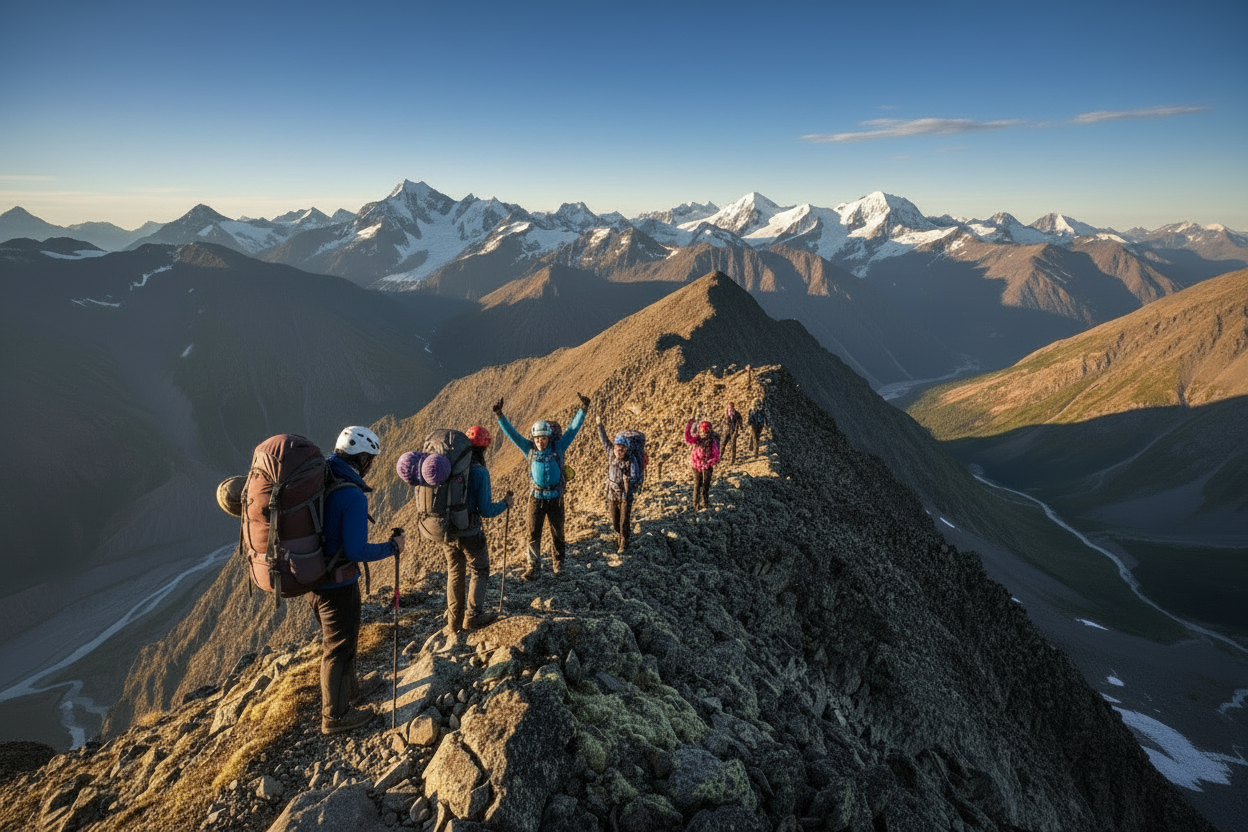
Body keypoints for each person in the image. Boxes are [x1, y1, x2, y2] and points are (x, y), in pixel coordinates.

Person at [314, 426, 405, 735]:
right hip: (337, 585)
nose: (372, 466)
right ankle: (335, 716)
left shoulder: (325, 474)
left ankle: (350, 691)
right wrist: (392, 547)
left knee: (342, 642)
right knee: (338, 648)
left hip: (316, 578)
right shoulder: (351, 495)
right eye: (371, 460)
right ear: (363, 459)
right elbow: (356, 550)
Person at [494, 394, 589, 578]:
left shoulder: (558, 447)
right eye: (537, 438)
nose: (540, 442)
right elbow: (513, 435)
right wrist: (500, 416)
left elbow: (572, 430)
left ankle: (558, 565)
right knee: (533, 533)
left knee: (557, 532)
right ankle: (533, 567)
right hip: (536, 498)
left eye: (543, 438)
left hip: (555, 498)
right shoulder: (528, 448)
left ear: (548, 437)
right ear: (534, 438)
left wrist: (583, 409)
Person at [443, 425, 512, 634]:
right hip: (470, 533)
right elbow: (486, 510)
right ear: (483, 449)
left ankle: (453, 623)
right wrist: (505, 503)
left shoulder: (449, 467)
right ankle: (473, 616)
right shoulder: (480, 472)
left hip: (447, 531)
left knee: (455, 573)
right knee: (480, 570)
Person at [596, 419, 637, 553]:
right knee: (615, 521)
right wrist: (599, 425)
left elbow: (635, 475)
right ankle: (621, 534)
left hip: (625, 494)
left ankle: (624, 542)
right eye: (617, 447)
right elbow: (604, 439)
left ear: (626, 449)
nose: (619, 450)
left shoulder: (631, 460)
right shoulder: (610, 453)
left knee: (624, 520)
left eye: (622, 448)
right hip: (612, 493)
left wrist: (629, 480)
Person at [684, 419, 721, 510]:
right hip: (696, 465)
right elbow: (688, 438)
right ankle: (696, 504)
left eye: (706, 432)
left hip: (707, 465)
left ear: (709, 431)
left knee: (706, 485)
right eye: (702, 431)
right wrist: (689, 426)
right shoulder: (697, 439)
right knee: (697, 485)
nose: (704, 434)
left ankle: (705, 503)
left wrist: (708, 463)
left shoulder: (712, 442)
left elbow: (716, 456)